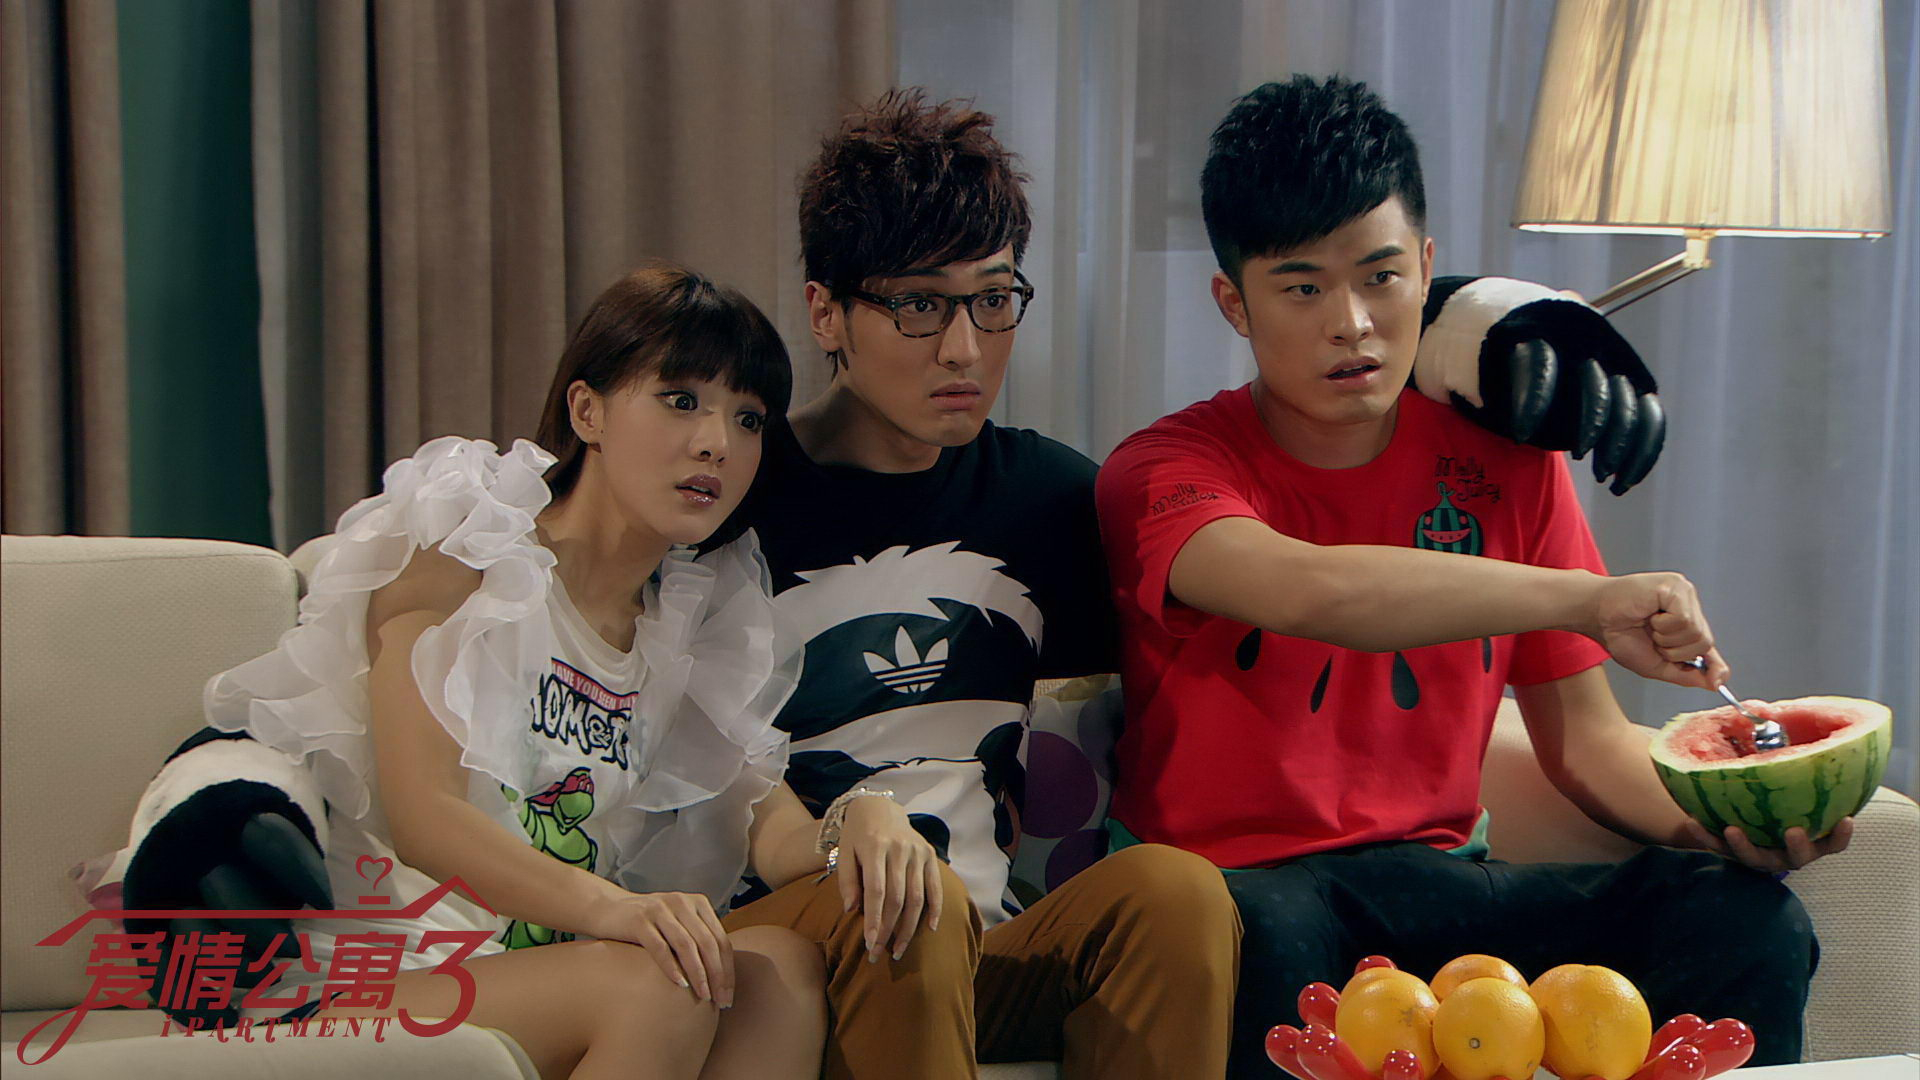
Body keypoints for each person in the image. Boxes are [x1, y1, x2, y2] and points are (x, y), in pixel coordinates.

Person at [1092, 76, 1848, 1078]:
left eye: (1381, 276)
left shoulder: (1506, 464)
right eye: (1302, 288)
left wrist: (1730, 828)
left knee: (1744, 921)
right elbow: (1316, 592)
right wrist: (1590, 599)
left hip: (1446, 888)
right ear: (1234, 302)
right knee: (1268, 934)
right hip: (1243, 894)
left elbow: (1587, 744)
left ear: (1427, 267)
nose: (1352, 323)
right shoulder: (1163, 471)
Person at [180, 262, 853, 1080]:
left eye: (748, 419)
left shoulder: (689, 622)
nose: (717, 442)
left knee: (779, 970)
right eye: (681, 400)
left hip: (546, 977)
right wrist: (620, 910)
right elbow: (424, 816)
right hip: (371, 975)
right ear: (587, 410)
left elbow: (771, 829)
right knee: (659, 986)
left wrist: (867, 825)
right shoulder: (465, 545)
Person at [706, 89, 1243, 1080]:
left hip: (980, 944)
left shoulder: (1048, 499)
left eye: (993, 300)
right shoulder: (735, 491)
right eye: (919, 304)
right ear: (826, 312)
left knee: (1175, 897)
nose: (964, 349)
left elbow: (1217, 626)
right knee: (908, 906)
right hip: (787, 949)